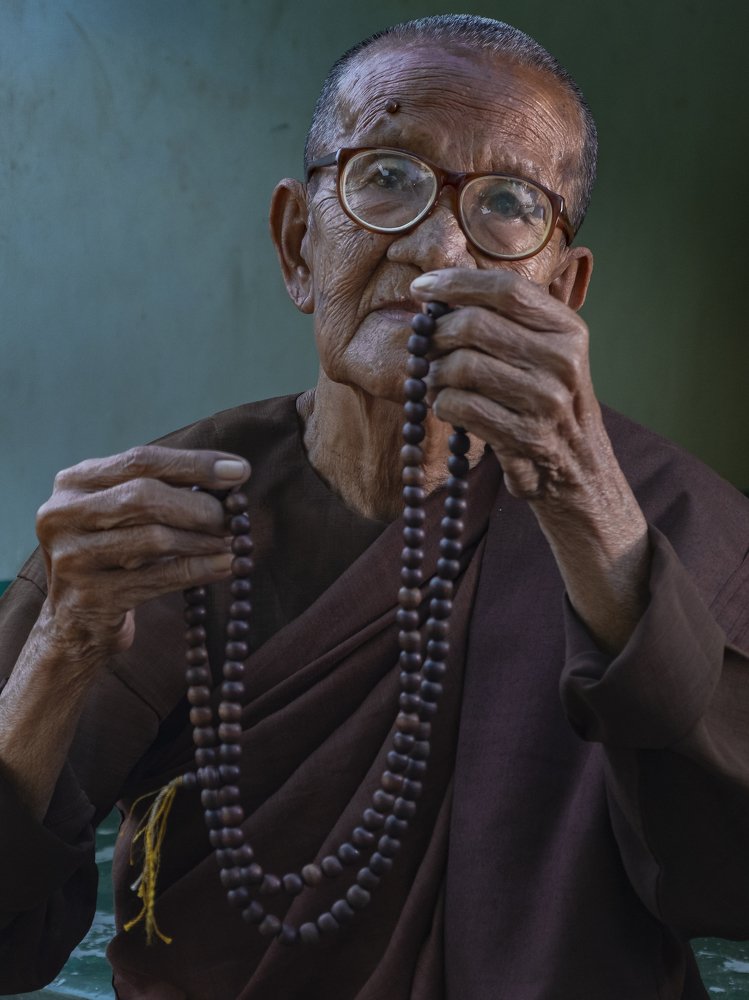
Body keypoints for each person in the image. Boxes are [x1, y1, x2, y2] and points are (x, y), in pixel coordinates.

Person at [1, 13, 748, 1000]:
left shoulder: (674, 518)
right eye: (386, 176)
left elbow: (728, 886)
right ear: (297, 243)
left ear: (561, 290)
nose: (434, 247)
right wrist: (59, 649)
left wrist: (590, 517)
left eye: (508, 202)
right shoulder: (164, 517)